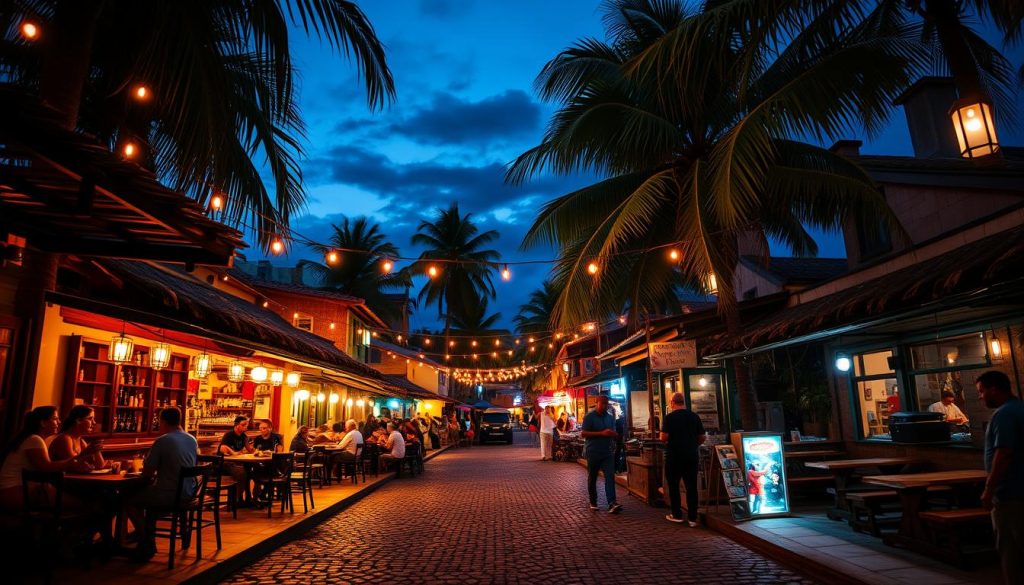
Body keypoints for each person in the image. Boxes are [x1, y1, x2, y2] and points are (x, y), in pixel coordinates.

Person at [126, 408, 198, 561]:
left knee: (128, 499)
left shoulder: (163, 440)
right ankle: (144, 531)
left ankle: (145, 539)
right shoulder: (191, 439)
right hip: (189, 493)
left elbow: (147, 473)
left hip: (170, 494)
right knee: (145, 497)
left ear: (163, 421)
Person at [0, 406, 98, 511]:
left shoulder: (33, 439)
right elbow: (47, 467)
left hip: (18, 490)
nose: (59, 422)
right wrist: (75, 460)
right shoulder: (35, 439)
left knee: (85, 500)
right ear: (43, 423)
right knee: (86, 503)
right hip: (14, 493)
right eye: (55, 419)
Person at [976, 370, 1024, 585]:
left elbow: (1003, 453)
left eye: (981, 391)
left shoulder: (1003, 414)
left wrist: (989, 489)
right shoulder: (1019, 408)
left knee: (1010, 547)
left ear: (993, 389)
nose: (980, 396)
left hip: (1009, 493)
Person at [660, 392, 706, 526]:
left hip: (674, 456)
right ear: (683, 402)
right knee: (691, 486)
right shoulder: (694, 416)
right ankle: (692, 518)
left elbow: (663, 437)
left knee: (673, 486)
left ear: (672, 402)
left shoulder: (669, 418)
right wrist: (692, 444)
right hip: (691, 456)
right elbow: (702, 437)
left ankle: (677, 514)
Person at [581, 395, 621, 514]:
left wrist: (614, 434)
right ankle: (593, 501)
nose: (604, 406)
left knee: (609, 476)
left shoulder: (609, 417)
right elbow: (583, 433)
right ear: (596, 403)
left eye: (606, 403)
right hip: (593, 451)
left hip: (607, 452)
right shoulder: (589, 417)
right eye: (602, 403)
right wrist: (601, 433)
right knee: (592, 477)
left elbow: (614, 432)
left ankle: (612, 502)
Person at [49, 405, 106, 471]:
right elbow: (73, 465)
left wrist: (96, 450)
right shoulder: (65, 439)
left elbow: (100, 465)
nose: (94, 422)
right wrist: (87, 453)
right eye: (90, 419)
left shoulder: (81, 441)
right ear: (78, 420)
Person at [219, 416, 254, 502]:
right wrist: (234, 453)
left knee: (249, 470)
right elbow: (222, 448)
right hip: (225, 462)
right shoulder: (229, 435)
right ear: (236, 425)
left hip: (237, 462)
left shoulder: (244, 437)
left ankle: (246, 499)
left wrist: (258, 451)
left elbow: (250, 450)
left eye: (247, 425)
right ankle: (236, 500)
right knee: (242, 474)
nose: (246, 426)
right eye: (243, 425)